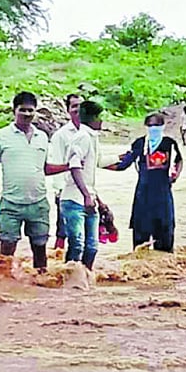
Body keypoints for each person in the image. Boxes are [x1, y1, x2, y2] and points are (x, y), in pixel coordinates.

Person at [0, 92, 69, 273]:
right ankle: (4, 286)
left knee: (40, 249)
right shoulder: (0, 136)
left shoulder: (42, 137)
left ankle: (39, 287)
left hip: (38, 203)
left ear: (35, 112)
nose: (26, 114)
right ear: (14, 111)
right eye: (22, 110)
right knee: (6, 251)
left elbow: (45, 168)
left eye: (30, 111)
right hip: (10, 204)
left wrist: (70, 166)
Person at [105, 112, 183, 252]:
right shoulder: (140, 144)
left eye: (157, 125)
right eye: (151, 125)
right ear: (146, 126)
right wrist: (99, 164)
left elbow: (179, 160)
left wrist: (175, 175)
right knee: (141, 241)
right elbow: (123, 164)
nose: (154, 128)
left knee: (165, 238)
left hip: (163, 195)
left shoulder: (169, 144)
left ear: (163, 126)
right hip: (143, 196)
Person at [61, 100, 103, 270]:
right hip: (74, 200)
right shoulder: (82, 137)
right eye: (100, 117)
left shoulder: (92, 137)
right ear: (93, 118)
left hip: (89, 198)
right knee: (77, 245)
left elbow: (96, 163)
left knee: (92, 247)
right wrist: (86, 195)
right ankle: (69, 281)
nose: (102, 121)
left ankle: (84, 280)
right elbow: (74, 165)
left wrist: (123, 158)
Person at [48, 94, 83, 250]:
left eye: (81, 105)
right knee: (62, 231)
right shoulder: (61, 135)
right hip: (66, 190)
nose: (78, 109)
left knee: (81, 231)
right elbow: (56, 161)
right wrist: (60, 191)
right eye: (74, 106)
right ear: (68, 110)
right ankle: (58, 260)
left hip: (84, 189)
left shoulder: (89, 132)